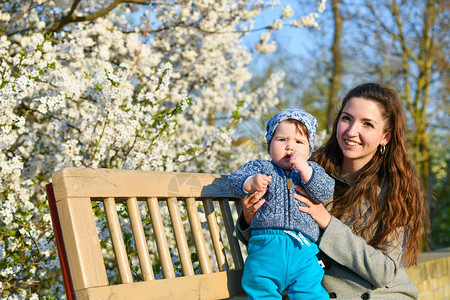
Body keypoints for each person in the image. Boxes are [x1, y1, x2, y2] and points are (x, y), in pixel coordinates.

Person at [235, 83, 429, 299]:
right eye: (347, 118)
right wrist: (248, 219)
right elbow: (274, 243)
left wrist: (327, 222)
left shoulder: (396, 191)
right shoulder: (304, 168)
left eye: (367, 124)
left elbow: (383, 271)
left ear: (386, 137)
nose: (352, 131)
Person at [227, 108, 334, 299]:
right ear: (269, 146)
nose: (290, 147)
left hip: (302, 249)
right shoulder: (260, 167)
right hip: (266, 247)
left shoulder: (312, 171)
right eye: (282, 140)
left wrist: (306, 170)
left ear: (309, 149)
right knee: (260, 287)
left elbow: (325, 191)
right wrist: (250, 182)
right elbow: (233, 181)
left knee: (310, 291)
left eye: (299, 142)